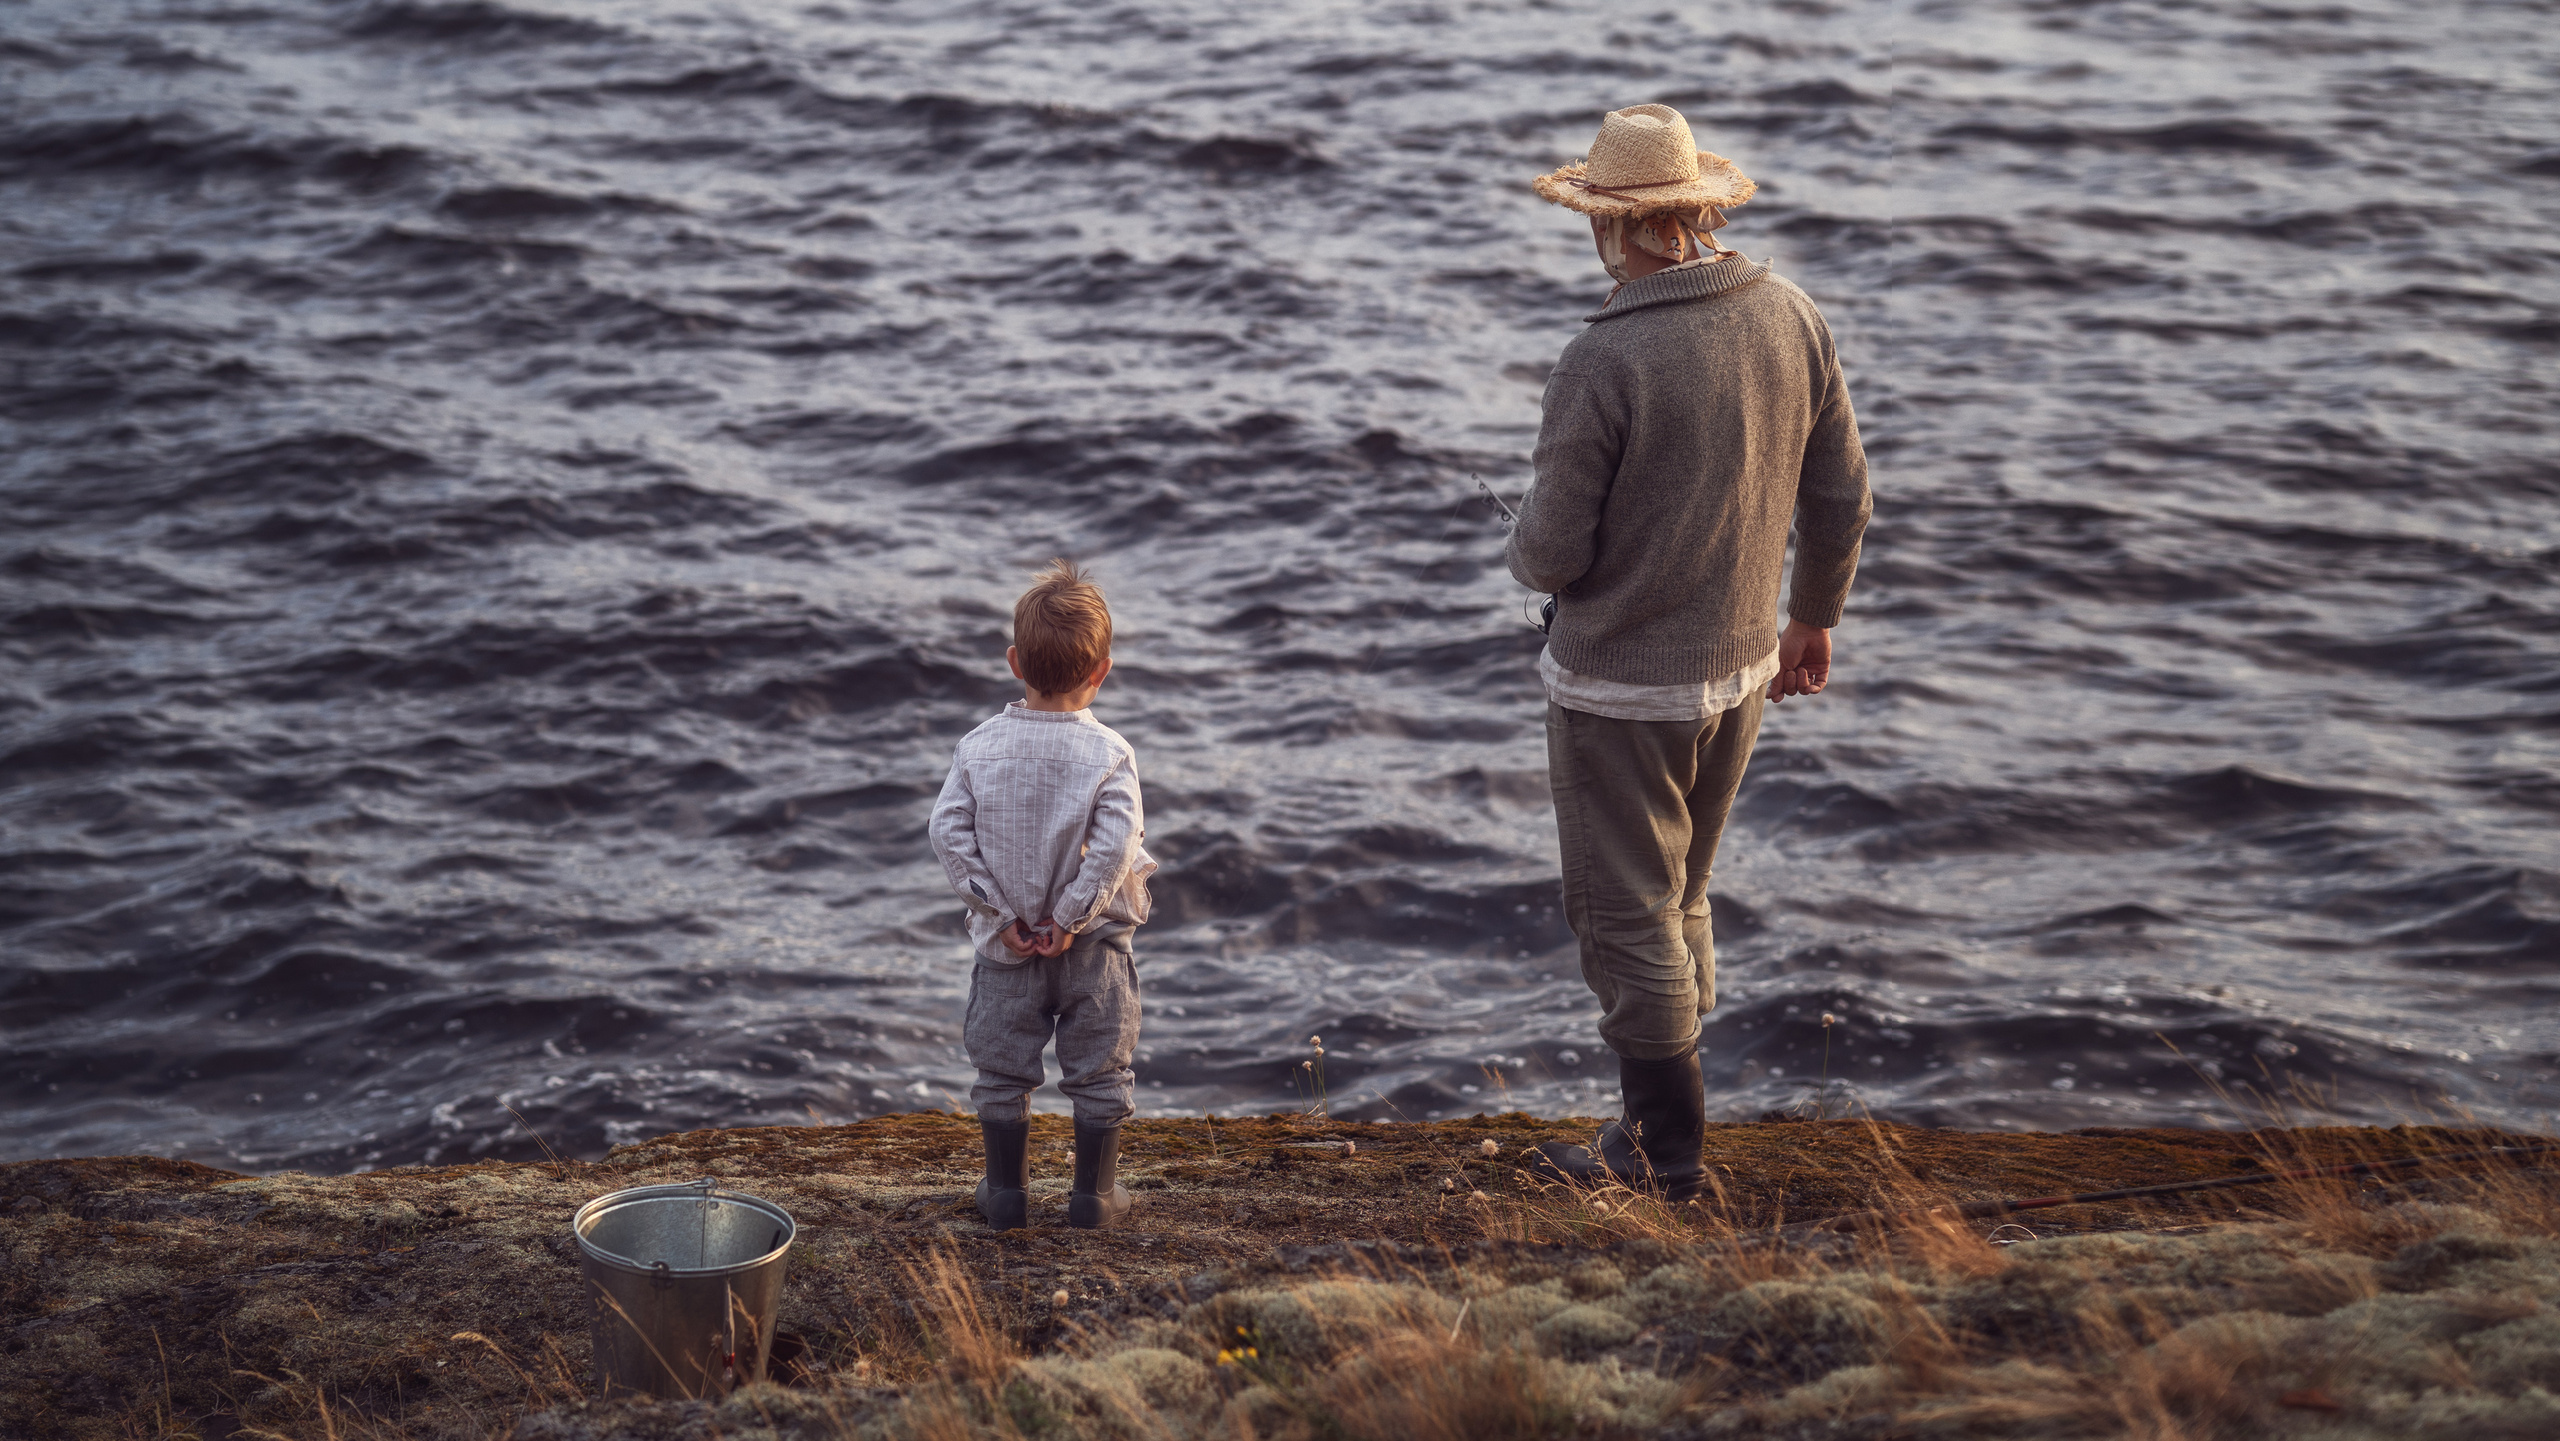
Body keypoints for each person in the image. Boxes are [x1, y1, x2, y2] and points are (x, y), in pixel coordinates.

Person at [1508, 104, 1871, 1201]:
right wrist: (1812, 616)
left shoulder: (1602, 358)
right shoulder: (1790, 312)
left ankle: (1662, 1156)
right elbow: (1842, 495)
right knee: (1683, 893)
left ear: (1617, 228)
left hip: (1621, 691)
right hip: (1743, 669)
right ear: (1698, 213)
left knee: (1626, 915)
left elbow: (1550, 554)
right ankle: (1660, 1127)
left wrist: (1519, 544)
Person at [928, 559, 1156, 1230]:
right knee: (1101, 1070)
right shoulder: (1111, 753)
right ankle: (1094, 1197)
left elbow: (947, 832)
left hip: (1009, 948)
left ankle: (1006, 1195)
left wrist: (1000, 914)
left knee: (1001, 1071)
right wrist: (1071, 917)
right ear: (1102, 671)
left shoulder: (978, 747)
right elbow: (1116, 846)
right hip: (1094, 946)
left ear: (1014, 662)